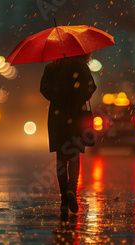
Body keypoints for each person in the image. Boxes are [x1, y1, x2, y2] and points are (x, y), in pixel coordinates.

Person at [40, 53, 96, 215]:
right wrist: (78, 97)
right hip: (77, 115)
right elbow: (90, 88)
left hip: (58, 118)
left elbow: (44, 90)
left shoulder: (51, 68)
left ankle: (64, 199)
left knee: (61, 158)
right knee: (74, 155)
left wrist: (58, 95)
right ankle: (72, 189)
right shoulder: (81, 67)